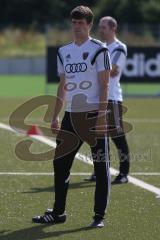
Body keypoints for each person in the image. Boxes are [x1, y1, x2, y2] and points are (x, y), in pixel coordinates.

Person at [32, 6, 112, 228]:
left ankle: (99, 216)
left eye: (81, 23)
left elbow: (105, 85)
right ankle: (58, 213)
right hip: (69, 116)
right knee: (60, 164)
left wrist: (102, 116)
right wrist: (55, 116)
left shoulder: (100, 50)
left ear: (89, 25)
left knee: (100, 166)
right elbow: (63, 85)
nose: (77, 27)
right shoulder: (63, 51)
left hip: (93, 115)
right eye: (74, 23)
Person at [85, 16, 130, 184]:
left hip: (112, 98)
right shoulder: (100, 47)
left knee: (117, 136)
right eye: (100, 27)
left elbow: (113, 71)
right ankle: (100, 172)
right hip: (97, 98)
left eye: (104, 27)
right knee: (97, 137)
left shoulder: (119, 48)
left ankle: (124, 173)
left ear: (113, 29)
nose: (100, 29)